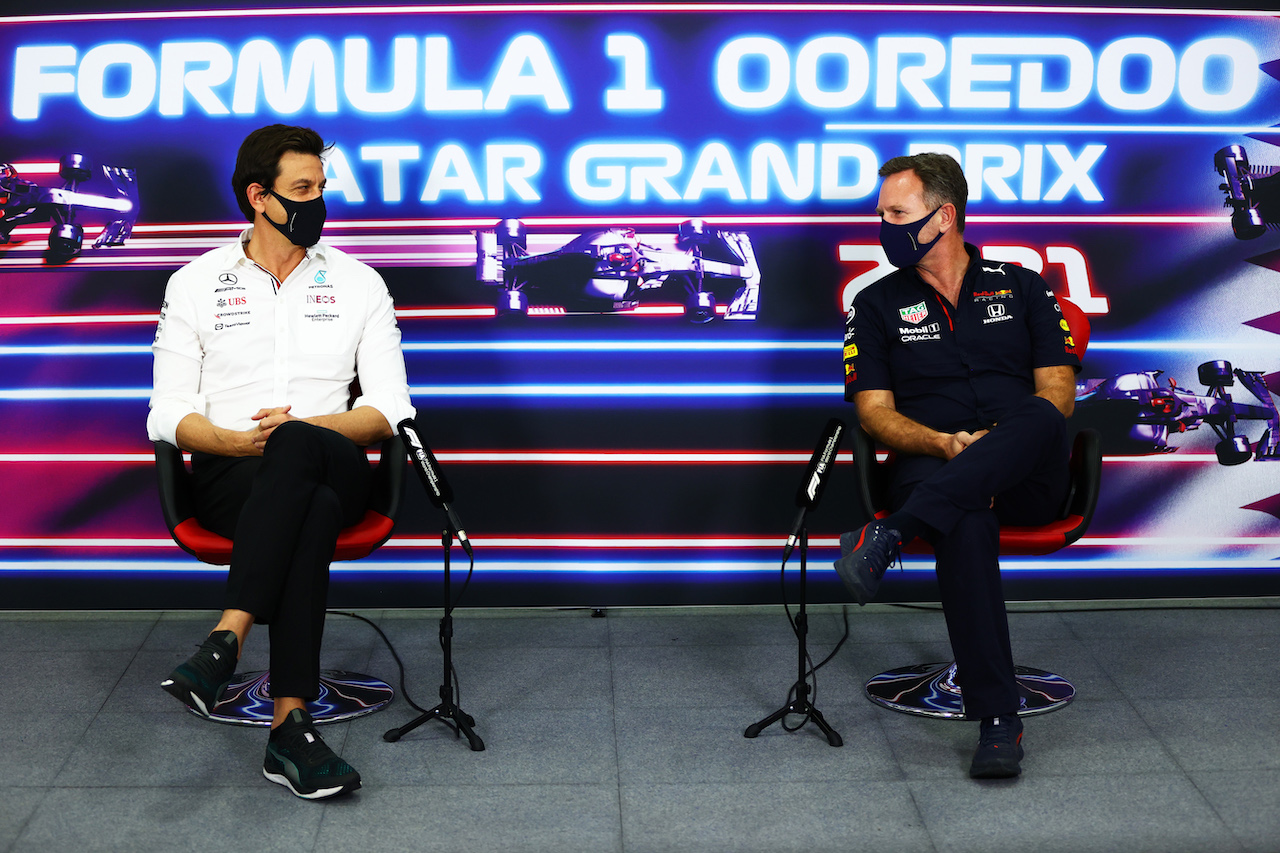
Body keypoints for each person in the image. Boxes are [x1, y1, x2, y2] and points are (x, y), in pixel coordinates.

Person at [147, 124, 415, 800]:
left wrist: (300, 431)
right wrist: (243, 443)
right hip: (232, 472)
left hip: (339, 462)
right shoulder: (195, 282)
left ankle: (226, 635)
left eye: (322, 188)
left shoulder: (360, 283)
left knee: (302, 450)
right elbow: (169, 414)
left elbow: (388, 410)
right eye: (303, 190)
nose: (318, 202)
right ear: (258, 197)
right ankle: (289, 728)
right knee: (310, 507)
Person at [836, 152, 1079, 779]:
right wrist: (946, 446)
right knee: (963, 517)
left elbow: (1057, 395)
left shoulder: (1023, 286)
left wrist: (992, 449)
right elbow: (874, 415)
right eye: (882, 213)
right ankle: (999, 721)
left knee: (1035, 416)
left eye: (897, 213)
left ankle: (892, 532)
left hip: (1026, 468)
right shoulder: (875, 302)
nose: (883, 225)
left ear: (944, 216)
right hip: (933, 462)